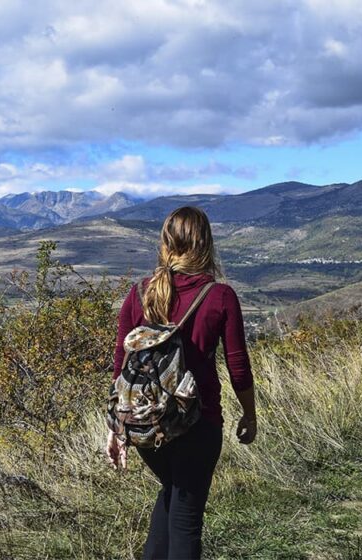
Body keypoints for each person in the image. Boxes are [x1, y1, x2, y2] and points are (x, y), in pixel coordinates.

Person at [107, 206, 257, 560]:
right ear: (206, 244)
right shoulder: (219, 296)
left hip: (146, 425)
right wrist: (250, 415)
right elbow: (238, 366)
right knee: (186, 522)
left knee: (172, 495)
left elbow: (121, 363)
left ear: (165, 243)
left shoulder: (140, 292)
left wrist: (116, 428)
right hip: (197, 423)